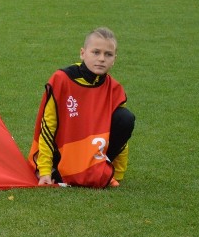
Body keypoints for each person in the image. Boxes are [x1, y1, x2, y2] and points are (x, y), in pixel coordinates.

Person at [28, 27, 136, 188]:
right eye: (96, 52)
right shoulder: (62, 79)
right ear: (82, 53)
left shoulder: (114, 89)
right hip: (62, 155)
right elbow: (48, 127)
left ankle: (102, 170)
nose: (101, 59)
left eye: (108, 54)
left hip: (92, 152)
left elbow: (122, 136)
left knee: (125, 118)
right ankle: (61, 171)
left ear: (114, 59)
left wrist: (118, 173)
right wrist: (44, 170)